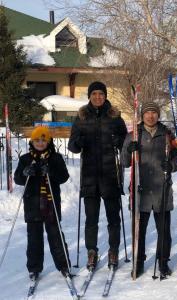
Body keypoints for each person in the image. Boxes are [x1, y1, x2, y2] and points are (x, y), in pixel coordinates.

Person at [68, 81, 127, 269]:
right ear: (89, 96)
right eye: (94, 94)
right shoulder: (81, 117)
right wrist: (79, 142)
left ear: (106, 96)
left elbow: (125, 142)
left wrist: (119, 140)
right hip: (90, 177)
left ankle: (113, 250)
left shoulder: (115, 116)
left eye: (101, 94)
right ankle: (91, 251)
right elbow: (72, 146)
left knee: (113, 218)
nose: (98, 97)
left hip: (111, 175)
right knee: (91, 219)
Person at [121, 102, 177, 278]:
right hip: (141, 191)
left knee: (164, 231)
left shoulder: (167, 135)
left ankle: (163, 262)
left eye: (154, 112)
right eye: (147, 113)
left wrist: (171, 165)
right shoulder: (133, 135)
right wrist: (129, 152)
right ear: (142, 115)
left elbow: (176, 160)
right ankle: (138, 263)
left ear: (158, 115)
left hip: (162, 190)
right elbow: (124, 162)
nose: (151, 116)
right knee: (139, 231)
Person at [14, 126, 71, 279]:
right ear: (32, 141)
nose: (40, 143)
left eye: (43, 140)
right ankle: (34, 268)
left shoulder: (55, 158)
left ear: (49, 141)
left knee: (56, 236)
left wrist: (51, 172)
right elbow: (17, 178)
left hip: (51, 203)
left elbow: (64, 177)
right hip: (32, 204)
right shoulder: (25, 158)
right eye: (37, 140)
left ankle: (64, 266)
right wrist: (25, 172)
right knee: (34, 238)